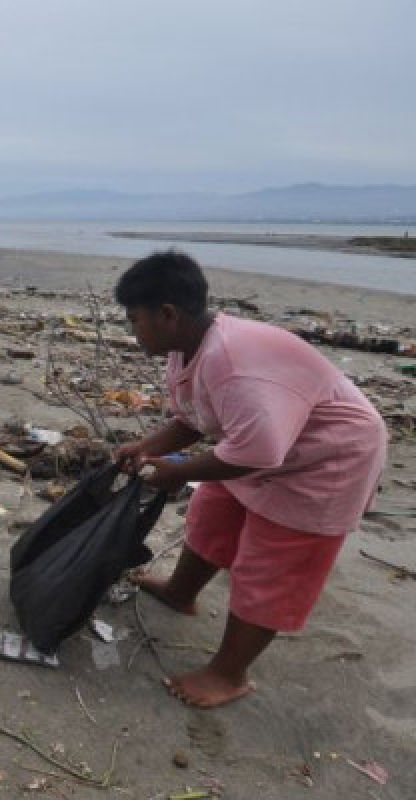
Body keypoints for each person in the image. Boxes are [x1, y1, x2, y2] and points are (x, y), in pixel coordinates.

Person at [112, 251, 387, 708]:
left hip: (330, 456)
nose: (133, 331)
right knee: (213, 512)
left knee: (274, 565)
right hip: (271, 444)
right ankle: (181, 592)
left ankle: (228, 673)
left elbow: (259, 452)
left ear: (168, 314)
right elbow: (196, 418)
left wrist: (178, 473)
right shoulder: (187, 348)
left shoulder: (233, 362)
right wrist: (148, 449)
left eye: (135, 320)